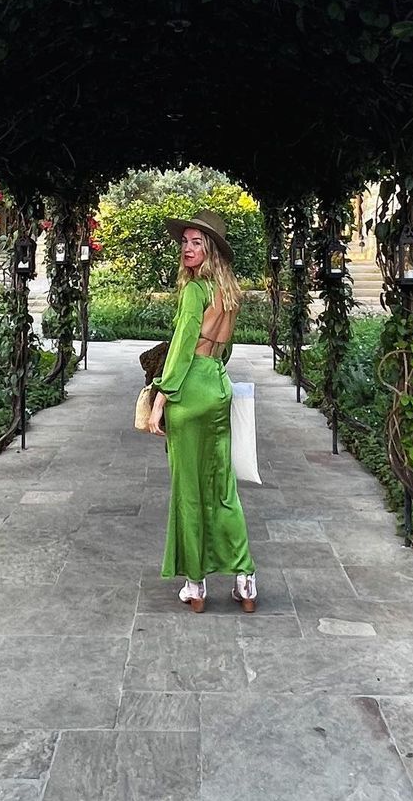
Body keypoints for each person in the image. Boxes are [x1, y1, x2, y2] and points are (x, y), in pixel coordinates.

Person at [148, 208, 258, 612]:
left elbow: (180, 348)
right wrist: (211, 375)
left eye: (197, 242)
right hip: (217, 385)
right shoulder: (229, 294)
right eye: (185, 241)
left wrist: (160, 398)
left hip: (189, 389)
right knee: (223, 488)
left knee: (189, 491)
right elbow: (224, 350)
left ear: (211, 250)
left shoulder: (195, 291)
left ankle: (195, 585)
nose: (187, 248)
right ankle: (245, 579)